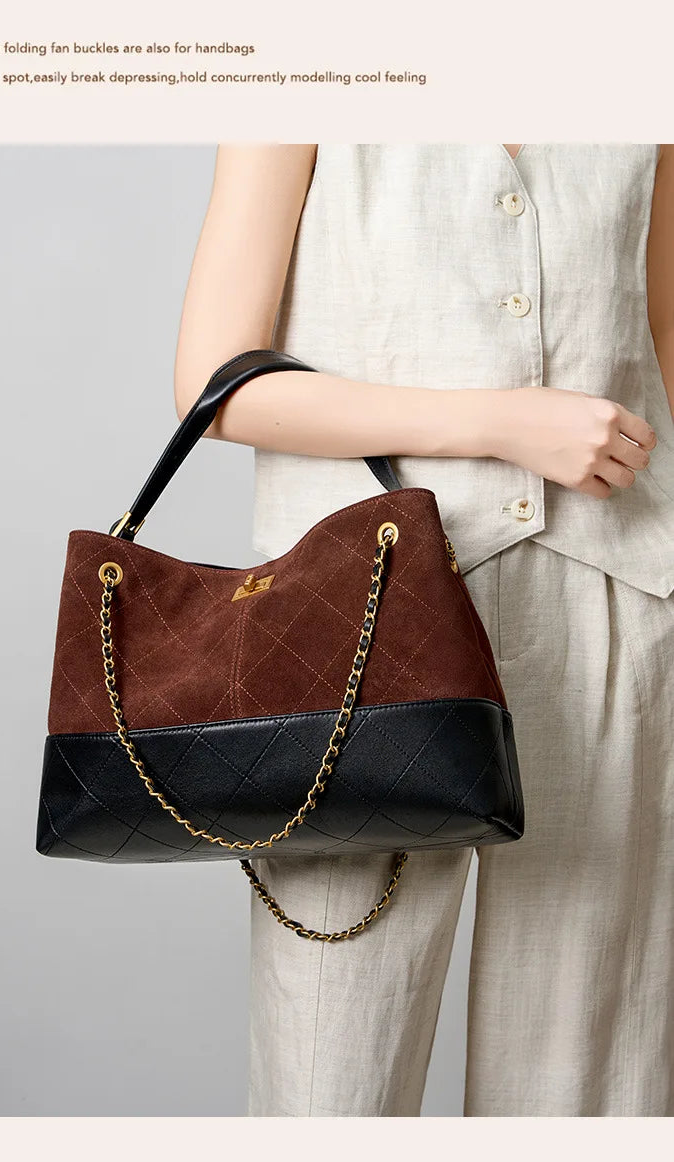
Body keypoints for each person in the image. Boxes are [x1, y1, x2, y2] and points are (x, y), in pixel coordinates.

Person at [172, 143, 674, 1117]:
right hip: (362, 615)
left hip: (612, 599)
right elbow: (219, 383)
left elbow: (660, 336)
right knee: (331, 1070)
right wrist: (501, 422)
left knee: (591, 1067)